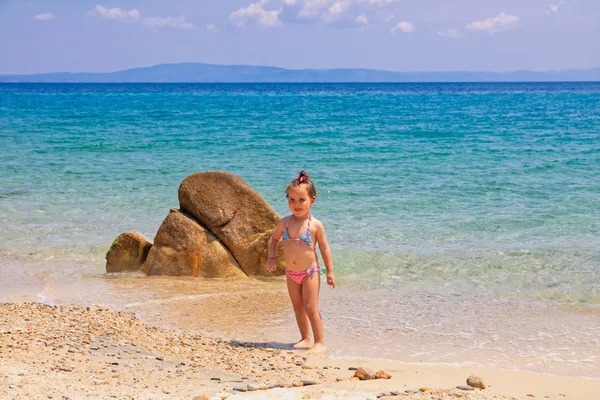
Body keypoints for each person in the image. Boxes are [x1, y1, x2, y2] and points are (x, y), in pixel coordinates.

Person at [266, 170, 336, 353]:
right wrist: (271, 257)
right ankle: (305, 338)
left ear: (312, 200)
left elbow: (324, 248)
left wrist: (329, 271)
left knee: (311, 306)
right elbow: (273, 240)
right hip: (291, 273)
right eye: (292, 200)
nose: (296, 204)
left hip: (310, 273)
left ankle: (320, 342)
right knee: (298, 307)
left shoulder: (315, 225)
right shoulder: (285, 223)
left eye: (301, 200)